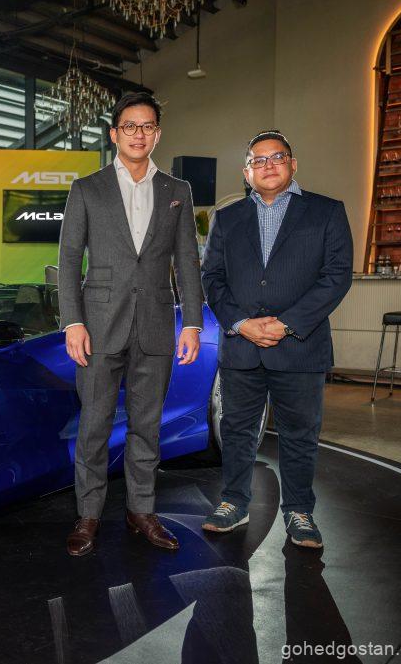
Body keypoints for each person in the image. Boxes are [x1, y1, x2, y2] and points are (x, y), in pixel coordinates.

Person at [58, 92, 204, 556]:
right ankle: (88, 514)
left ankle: (141, 510)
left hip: (157, 324)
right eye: (129, 126)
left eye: (147, 126)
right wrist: (72, 322)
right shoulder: (87, 188)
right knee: (94, 425)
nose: (138, 134)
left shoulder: (177, 190)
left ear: (157, 133)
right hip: (99, 325)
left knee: (147, 425)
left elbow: (187, 259)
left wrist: (193, 322)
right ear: (114, 133)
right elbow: (68, 259)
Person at [200, 130, 352, 549]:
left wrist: (285, 324)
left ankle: (299, 511)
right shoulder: (226, 219)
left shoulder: (326, 212)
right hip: (241, 346)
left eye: (277, 157)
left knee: (299, 433)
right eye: (258, 160)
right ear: (247, 171)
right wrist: (241, 323)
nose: (268, 165)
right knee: (236, 429)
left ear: (293, 164)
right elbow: (212, 278)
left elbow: (336, 277)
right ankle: (234, 502)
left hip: (301, 344)